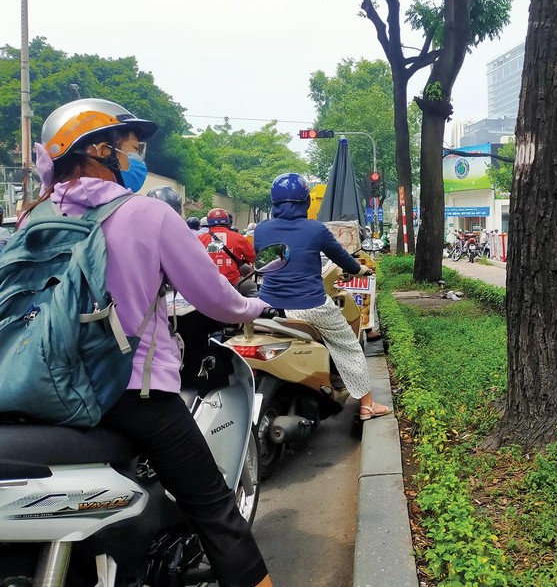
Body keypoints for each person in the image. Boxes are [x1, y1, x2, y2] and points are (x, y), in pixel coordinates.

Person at [27, 98, 273, 587]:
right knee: (216, 512)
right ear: (99, 149)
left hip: (44, 389)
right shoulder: (146, 214)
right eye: (131, 148)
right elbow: (216, 299)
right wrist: (256, 308)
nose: (137, 159)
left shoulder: (33, 216)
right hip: (132, 393)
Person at [253, 173, 390, 421]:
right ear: (305, 201)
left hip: (267, 307)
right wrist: (359, 269)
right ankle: (367, 405)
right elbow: (343, 259)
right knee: (348, 345)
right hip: (310, 306)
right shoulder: (316, 229)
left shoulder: (261, 230)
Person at [198, 208, 256, 286]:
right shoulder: (238, 237)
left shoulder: (200, 239)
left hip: (206, 284)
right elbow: (252, 257)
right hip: (232, 283)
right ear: (227, 221)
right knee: (252, 287)